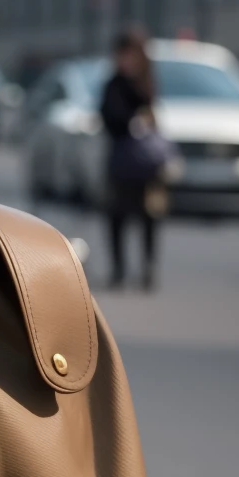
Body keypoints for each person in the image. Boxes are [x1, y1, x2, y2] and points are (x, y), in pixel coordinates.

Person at [100, 28, 168, 291]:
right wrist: (130, 121)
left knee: (150, 215)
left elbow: (154, 117)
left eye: (130, 54)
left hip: (147, 163)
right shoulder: (113, 84)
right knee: (117, 215)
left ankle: (148, 268)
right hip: (121, 160)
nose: (126, 60)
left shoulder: (146, 83)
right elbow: (109, 118)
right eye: (122, 54)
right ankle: (119, 269)